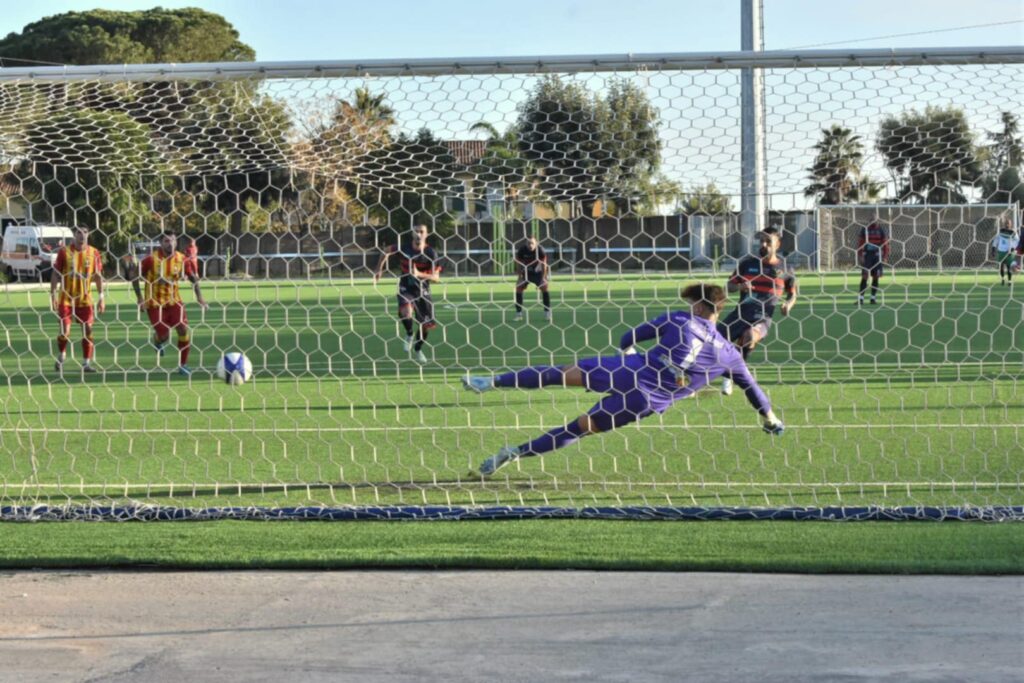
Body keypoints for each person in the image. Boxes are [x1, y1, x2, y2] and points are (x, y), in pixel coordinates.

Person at [462, 283, 784, 476]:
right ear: (718, 310)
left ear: (699, 305)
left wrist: (629, 354)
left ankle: (490, 382)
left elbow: (628, 336)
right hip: (644, 401)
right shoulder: (730, 354)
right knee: (578, 428)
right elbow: (753, 390)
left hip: (627, 371)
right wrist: (770, 419)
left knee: (557, 374)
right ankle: (515, 452)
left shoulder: (680, 318)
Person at [718, 227, 796, 396]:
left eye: (768, 241)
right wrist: (739, 286)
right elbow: (729, 286)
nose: (764, 244)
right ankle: (686, 378)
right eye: (761, 240)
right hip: (740, 314)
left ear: (778, 243)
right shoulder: (747, 263)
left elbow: (793, 294)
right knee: (711, 341)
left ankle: (729, 376)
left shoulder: (786, 270)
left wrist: (788, 304)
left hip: (762, 318)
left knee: (750, 337)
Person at [129, 231, 207, 376]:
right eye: (166, 241)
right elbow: (134, 275)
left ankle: (183, 365)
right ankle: (157, 341)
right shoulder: (151, 260)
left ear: (176, 242)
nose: (169, 243)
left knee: (183, 329)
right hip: (154, 304)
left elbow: (192, 278)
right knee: (164, 336)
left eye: (172, 240)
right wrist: (140, 298)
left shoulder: (182, 259)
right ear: (160, 243)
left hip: (174, 301)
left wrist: (200, 297)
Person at [374, 224, 443, 364]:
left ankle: (418, 349)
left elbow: (436, 278)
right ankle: (410, 333)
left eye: (421, 231)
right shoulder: (403, 248)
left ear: (426, 234)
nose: (418, 234)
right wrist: (379, 269)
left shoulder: (431, 253)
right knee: (406, 312)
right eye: (416, 231)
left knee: (425, 326)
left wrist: (419, 274)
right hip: (406, 287)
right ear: (412, 233)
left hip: (423, 291)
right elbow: (386, 251)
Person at [50, 227, 105, 374]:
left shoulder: (94, 253)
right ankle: (62, 355)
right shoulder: (64, 252)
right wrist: (52, 295)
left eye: (85, 232)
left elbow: (98, 276)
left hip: (85, 299)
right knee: (65, 332)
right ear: (74, 235)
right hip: (66, 299)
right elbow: (55, 274)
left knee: (88, 330)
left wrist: (101, 297)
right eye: (79, 232)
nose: (82, 235)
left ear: (88, 234)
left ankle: (86, 363)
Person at [513, 235, 552, 322]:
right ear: (525, 244)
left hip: (538, 273)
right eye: (528, 243)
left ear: (536, 243)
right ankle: (518, 314)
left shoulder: (540, 250)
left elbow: (544, 265)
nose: (530, 245)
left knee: (545, 287)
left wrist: (543, 278)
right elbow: (518, 265)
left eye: (532, 243)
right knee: (518, 288)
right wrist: (519, 278)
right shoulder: (521, 250)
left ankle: (547, 313)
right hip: (526, 273)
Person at [857, 217, 890, 304]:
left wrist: (885, 256)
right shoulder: (865, 230)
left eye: (875, 220)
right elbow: (860, 243)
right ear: (869, 221)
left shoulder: (881, 230)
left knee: (876, 276)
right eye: (871, 220)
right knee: (865, 276)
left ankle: (873, 298)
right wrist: (861, 255)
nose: (873, 222)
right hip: (867, 255)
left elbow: (885, 244)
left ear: (878, 220)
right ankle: (861, 299)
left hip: (877, 256)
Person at [991, 218, 1019, 286]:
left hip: (1009, 252)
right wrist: (993, 249)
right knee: (1001, 267)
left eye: (1008, 223)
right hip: (1001, 251)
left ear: (1010, 224)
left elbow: (1017, 241)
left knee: (1009, 267)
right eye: (1006, 223)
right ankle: (1003, 279)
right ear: (1004, 224)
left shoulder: (1013, 233)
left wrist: (1012, 249)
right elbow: (996, 240)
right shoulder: (1001, 231)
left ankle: (1009, 281)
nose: (1007, 225)